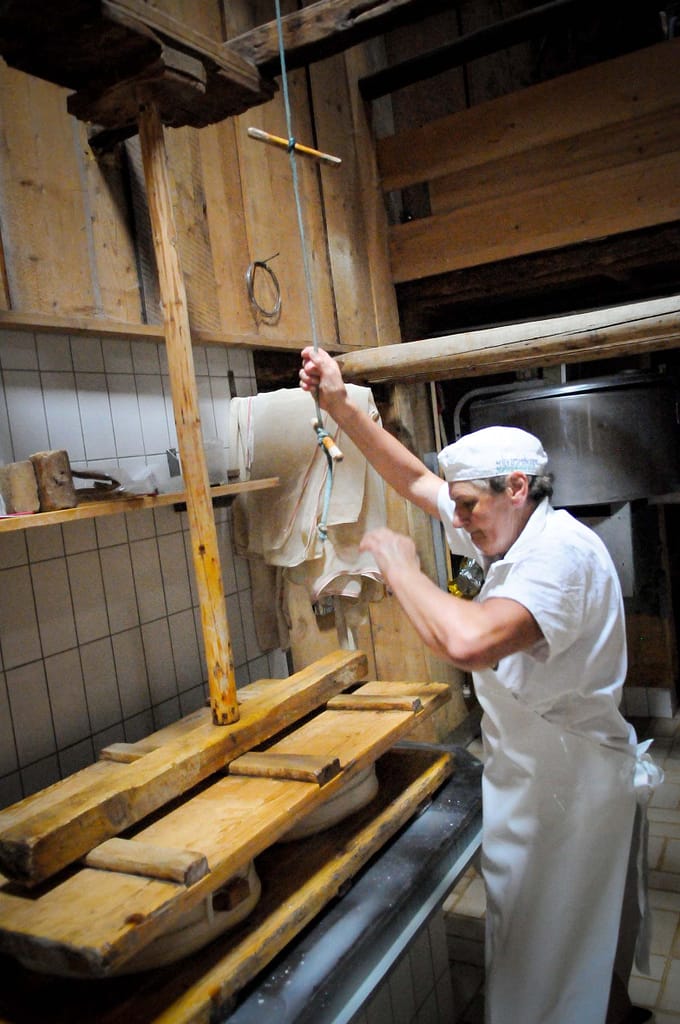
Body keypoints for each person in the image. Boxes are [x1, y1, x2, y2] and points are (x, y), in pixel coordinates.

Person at [300, 346, 658, 1024]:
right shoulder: (506, 524)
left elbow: (467, 641)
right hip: (535, 781)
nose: (455, 521)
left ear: (517, 487)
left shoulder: (560, 556)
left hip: (570, 793)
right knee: (568, 952)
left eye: (466, 508)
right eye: (456, 507)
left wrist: (400, 564)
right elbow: (412, 479)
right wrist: (341, 405)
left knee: (551, 969)